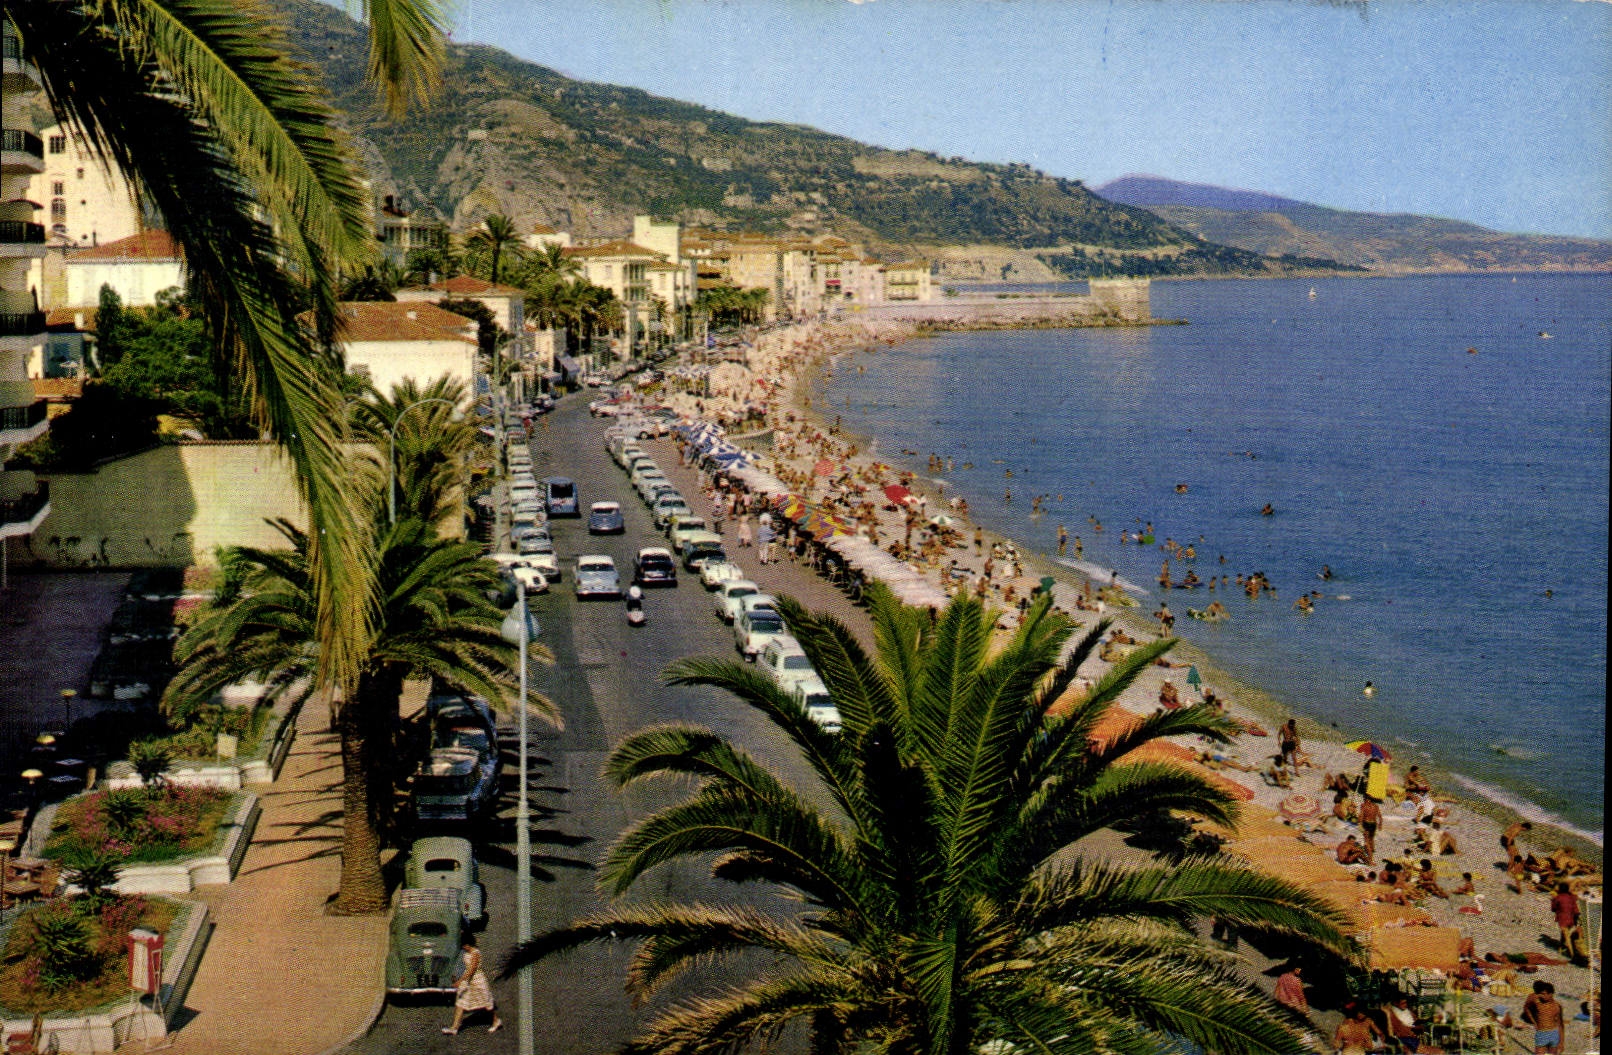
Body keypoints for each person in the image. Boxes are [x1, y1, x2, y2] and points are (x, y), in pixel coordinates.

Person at [443, 935, 502, 1035]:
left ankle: (496, 1021)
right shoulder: (466, 952)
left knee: (486, 1003)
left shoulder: (475, 953)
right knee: (460, 1002)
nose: (463, 948)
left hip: (478, 981)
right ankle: (454, 1028)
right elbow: (463, 967)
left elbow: (471, 970)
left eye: (464, 946)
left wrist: (460, 981)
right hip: (468, 982)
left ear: (468, 944)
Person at [1522, 980, 1564, 1054]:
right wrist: (1533, 1021)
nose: (1541, 996)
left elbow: (1560, 1025)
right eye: (1540, 993)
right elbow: (1526, 1007)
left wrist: (1561, 1043)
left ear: (1550, 994)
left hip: (1554, 1033)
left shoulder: (1557, 1006)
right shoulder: (1537, 1001)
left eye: (1543, 994)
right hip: (1542, 1032)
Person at [1550, 883, 1585, 963]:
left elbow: (1553, 909)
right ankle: (1561, 947)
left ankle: (1572, 955)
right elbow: (1576, 909)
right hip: (1571, 918)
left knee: (1566, 936)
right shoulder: (1571, 897)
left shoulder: (1558, 898)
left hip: (1562, 919)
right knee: (1565, 934)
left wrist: (1552, 900)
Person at [1359, 795, 1382, 864]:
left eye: (1364, 799)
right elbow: (1380, 817)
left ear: (1366, 799)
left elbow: (1361, 815)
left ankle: (1370, 859)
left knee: (1366, 841)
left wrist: (1360, 824)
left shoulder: (1363, 805)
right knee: (1371, 839)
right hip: (1373, 824)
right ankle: (1372, 851)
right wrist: (1380, 824)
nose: (1364, 800)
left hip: (1366, 824)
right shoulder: (1376, 806)